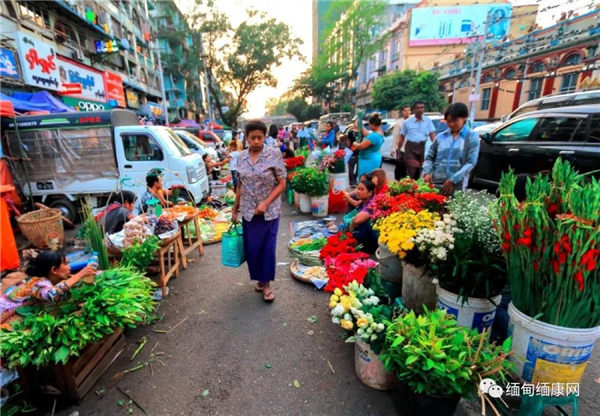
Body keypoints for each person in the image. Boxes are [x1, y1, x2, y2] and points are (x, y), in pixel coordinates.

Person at [232, 120, 286, 302]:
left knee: (267, 248)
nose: (256, 141)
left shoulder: (274, 154)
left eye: (259, 138)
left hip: (269, 211)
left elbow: (282, 183)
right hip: (248, 211)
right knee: (252, 249)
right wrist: (234, 209)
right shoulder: (240, 157)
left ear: (265, 137)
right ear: (246, 138)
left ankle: (267, 284)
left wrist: (265, 203)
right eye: (252, 138)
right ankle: (260, 280)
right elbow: (239, 184)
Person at [1, 251, 97, 325]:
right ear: (54, 270)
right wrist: (81, 274)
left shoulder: (49, 280)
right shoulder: (37, 284)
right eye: (65, 264)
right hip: (5, 315)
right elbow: (51, 295)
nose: (69, 267)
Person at [423, 103, 481, 196]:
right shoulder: (440, 137)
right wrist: (427, 172)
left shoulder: (471, 137)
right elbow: (429, 157)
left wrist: (453, 179)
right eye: (448, 121)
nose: (451, 124)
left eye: (455, 120)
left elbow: (471, 162)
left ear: (464, 118)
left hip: (456, 185)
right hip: (436, 183)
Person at [400, 100, 437, 179]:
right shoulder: (407, 122)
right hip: (410, 148)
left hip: (421, 148)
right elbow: (402, 138)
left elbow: (432, 136)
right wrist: (398, 150)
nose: (420, 110)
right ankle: (410, 186)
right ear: (414, 109)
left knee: (419, 169)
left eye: (422, 108)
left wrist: (437, 148)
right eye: (418, 108)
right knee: (412, 168)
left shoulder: (428, 121)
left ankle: (414, 186)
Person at [348, 178, 378, 254]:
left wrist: (349, 229)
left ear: (370, 193)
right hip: (366, 237)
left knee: (362, 223)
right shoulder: (363, 201)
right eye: (358, 189)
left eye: (362, 189)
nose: (358, 191)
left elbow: (356, 221)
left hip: (373, 241)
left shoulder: (372, 204)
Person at [352, 114, 384, 180]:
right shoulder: (379, 133)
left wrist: (354, 143)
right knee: (370, 179)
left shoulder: (374, 136)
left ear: (372, 124)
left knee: (365, 179)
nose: (369, 126)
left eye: (369, 124)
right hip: (373, 157)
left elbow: (360, 146)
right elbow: (366, 133)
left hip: (368, 160)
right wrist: (360, 125)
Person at [390, 105, 412, 180]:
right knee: (400, 168)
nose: (407, 112)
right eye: (405, 110)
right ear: (402, 112)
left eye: (409, 110)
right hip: (401, 149)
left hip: (411, 149)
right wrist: (393, 148)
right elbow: (395, 137)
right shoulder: (399, 123)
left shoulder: (413, 122)